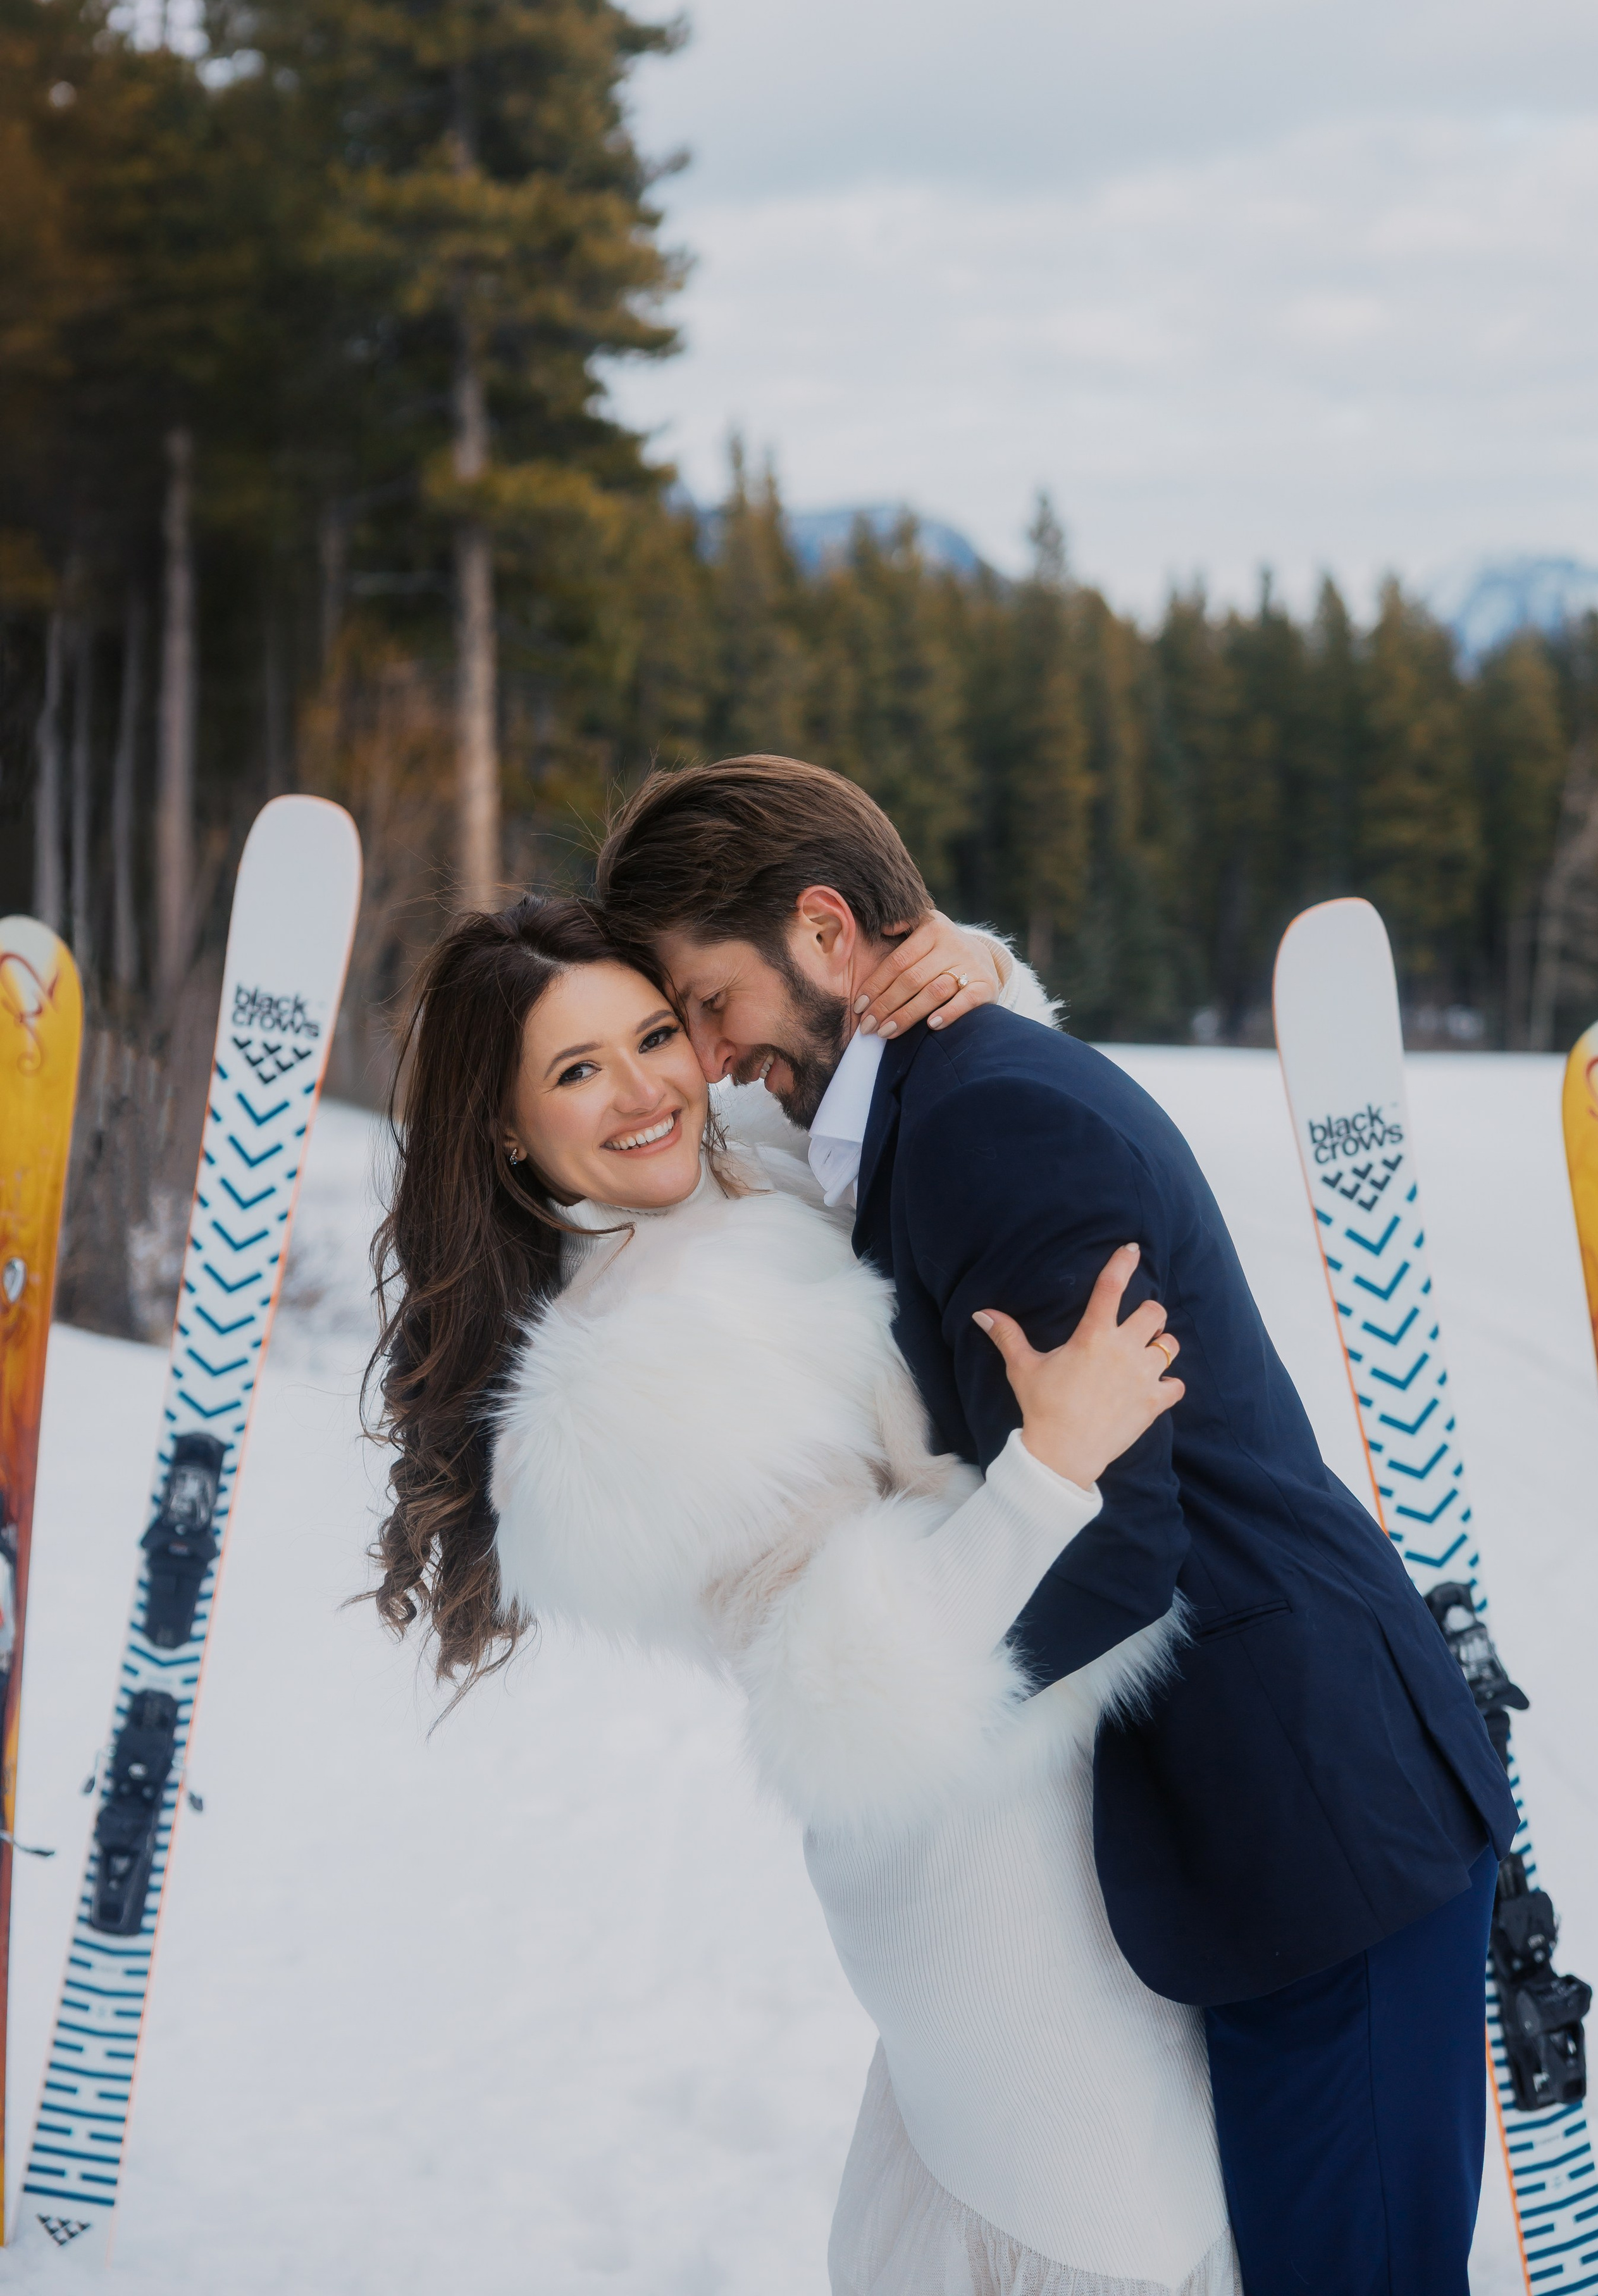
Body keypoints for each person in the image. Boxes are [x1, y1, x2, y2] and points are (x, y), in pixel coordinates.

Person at [593, 754, 1523, 2296]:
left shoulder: (984, 1119)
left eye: (700, 1004)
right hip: (1260, 1815)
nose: (701, 1060)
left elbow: (1113, 1540)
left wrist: (876, 1696)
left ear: (826, 934)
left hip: (1313, 1816)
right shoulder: (936, 1095)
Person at [368, 895, 1241, 2296]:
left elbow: (907, 1116)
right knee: (1103, 2207)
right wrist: (1051, 1468)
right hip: (976, 1857)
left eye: (653, 1033)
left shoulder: (741, 1179)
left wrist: (965, 974)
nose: (647, 1089)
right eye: (576, 1070)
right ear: (504, 1128)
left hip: (1051, 1789)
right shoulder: (623, 1380)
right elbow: (847, 1685)